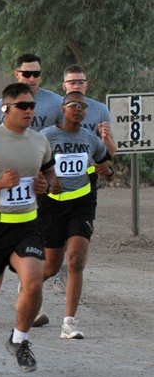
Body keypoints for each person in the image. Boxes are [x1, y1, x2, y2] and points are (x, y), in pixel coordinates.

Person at [0, 82, 58, 375]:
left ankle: (20, 340)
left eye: (32, 106)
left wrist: (46, 186)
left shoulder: (40, 141)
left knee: (33, 283)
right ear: (6, 109)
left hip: (27, 225)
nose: (30, 111)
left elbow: (52, 179)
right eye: (23, 106)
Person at [35, 92, 113, 338]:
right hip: (52, 206)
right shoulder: (46, 137)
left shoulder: (90, 138)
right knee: (50, 266)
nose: (78, 109)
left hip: (81, 203)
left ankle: (69, 323)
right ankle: (28, 288)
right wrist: (48, 181)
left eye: (83, 106)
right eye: (73, 105)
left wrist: (106, 170)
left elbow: (108, 165)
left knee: (76, 260)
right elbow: (31, 168)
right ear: (63, 109)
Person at [49, 65, 117, 295]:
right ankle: (47, 271)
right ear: (64, 86)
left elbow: (109, 154)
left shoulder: (99, 110)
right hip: (54, 186)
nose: (77, 85)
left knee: (77, 241)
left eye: (81, 81)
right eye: (72, 82)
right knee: (52, 249)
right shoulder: (57, 111)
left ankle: (69, 271)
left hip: (86, 182)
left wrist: (107, 142)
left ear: (87, 84)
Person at [0, 54, 63, 134]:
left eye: (36, 74)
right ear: (17, 74)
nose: (32, 79)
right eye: (27, 74)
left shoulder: (57, 102)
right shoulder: (1, 106)